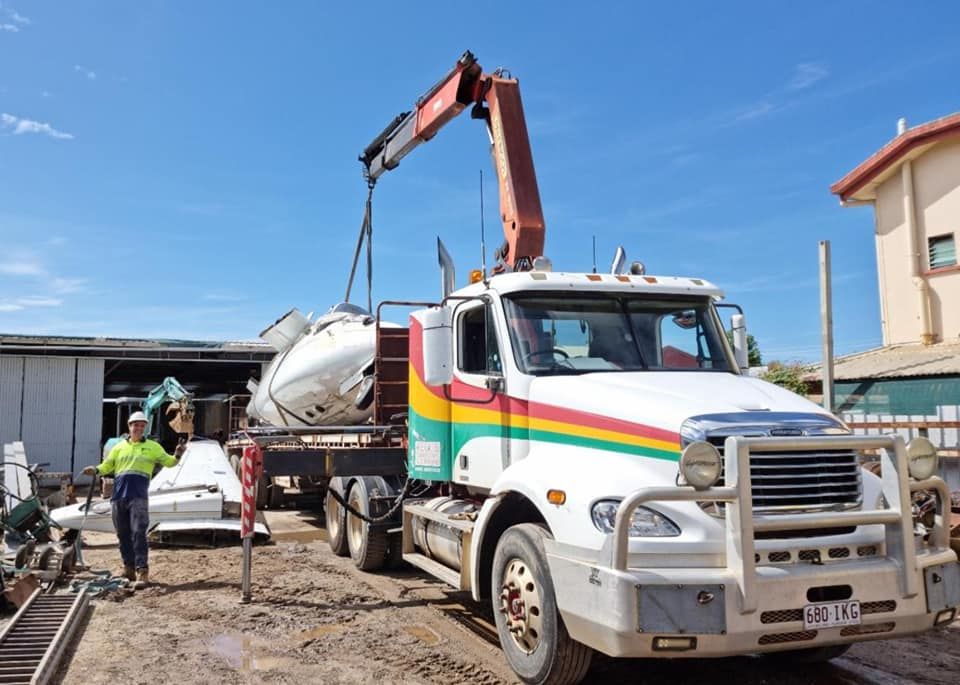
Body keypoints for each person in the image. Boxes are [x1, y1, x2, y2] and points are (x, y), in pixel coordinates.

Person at [82, 411, 185, 587]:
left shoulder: (153, 447)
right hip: (118, 497)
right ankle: (128, 568)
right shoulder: (119, 448)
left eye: (141, 425)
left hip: (138, 497)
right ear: (129, 427)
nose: (138, 428)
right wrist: (96, 470)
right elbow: (108, 465)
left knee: (138, 533)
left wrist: (177, 455)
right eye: (135, 425)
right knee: (122, 534)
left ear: (145, 428)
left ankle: (142, 571)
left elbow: (169, 463)